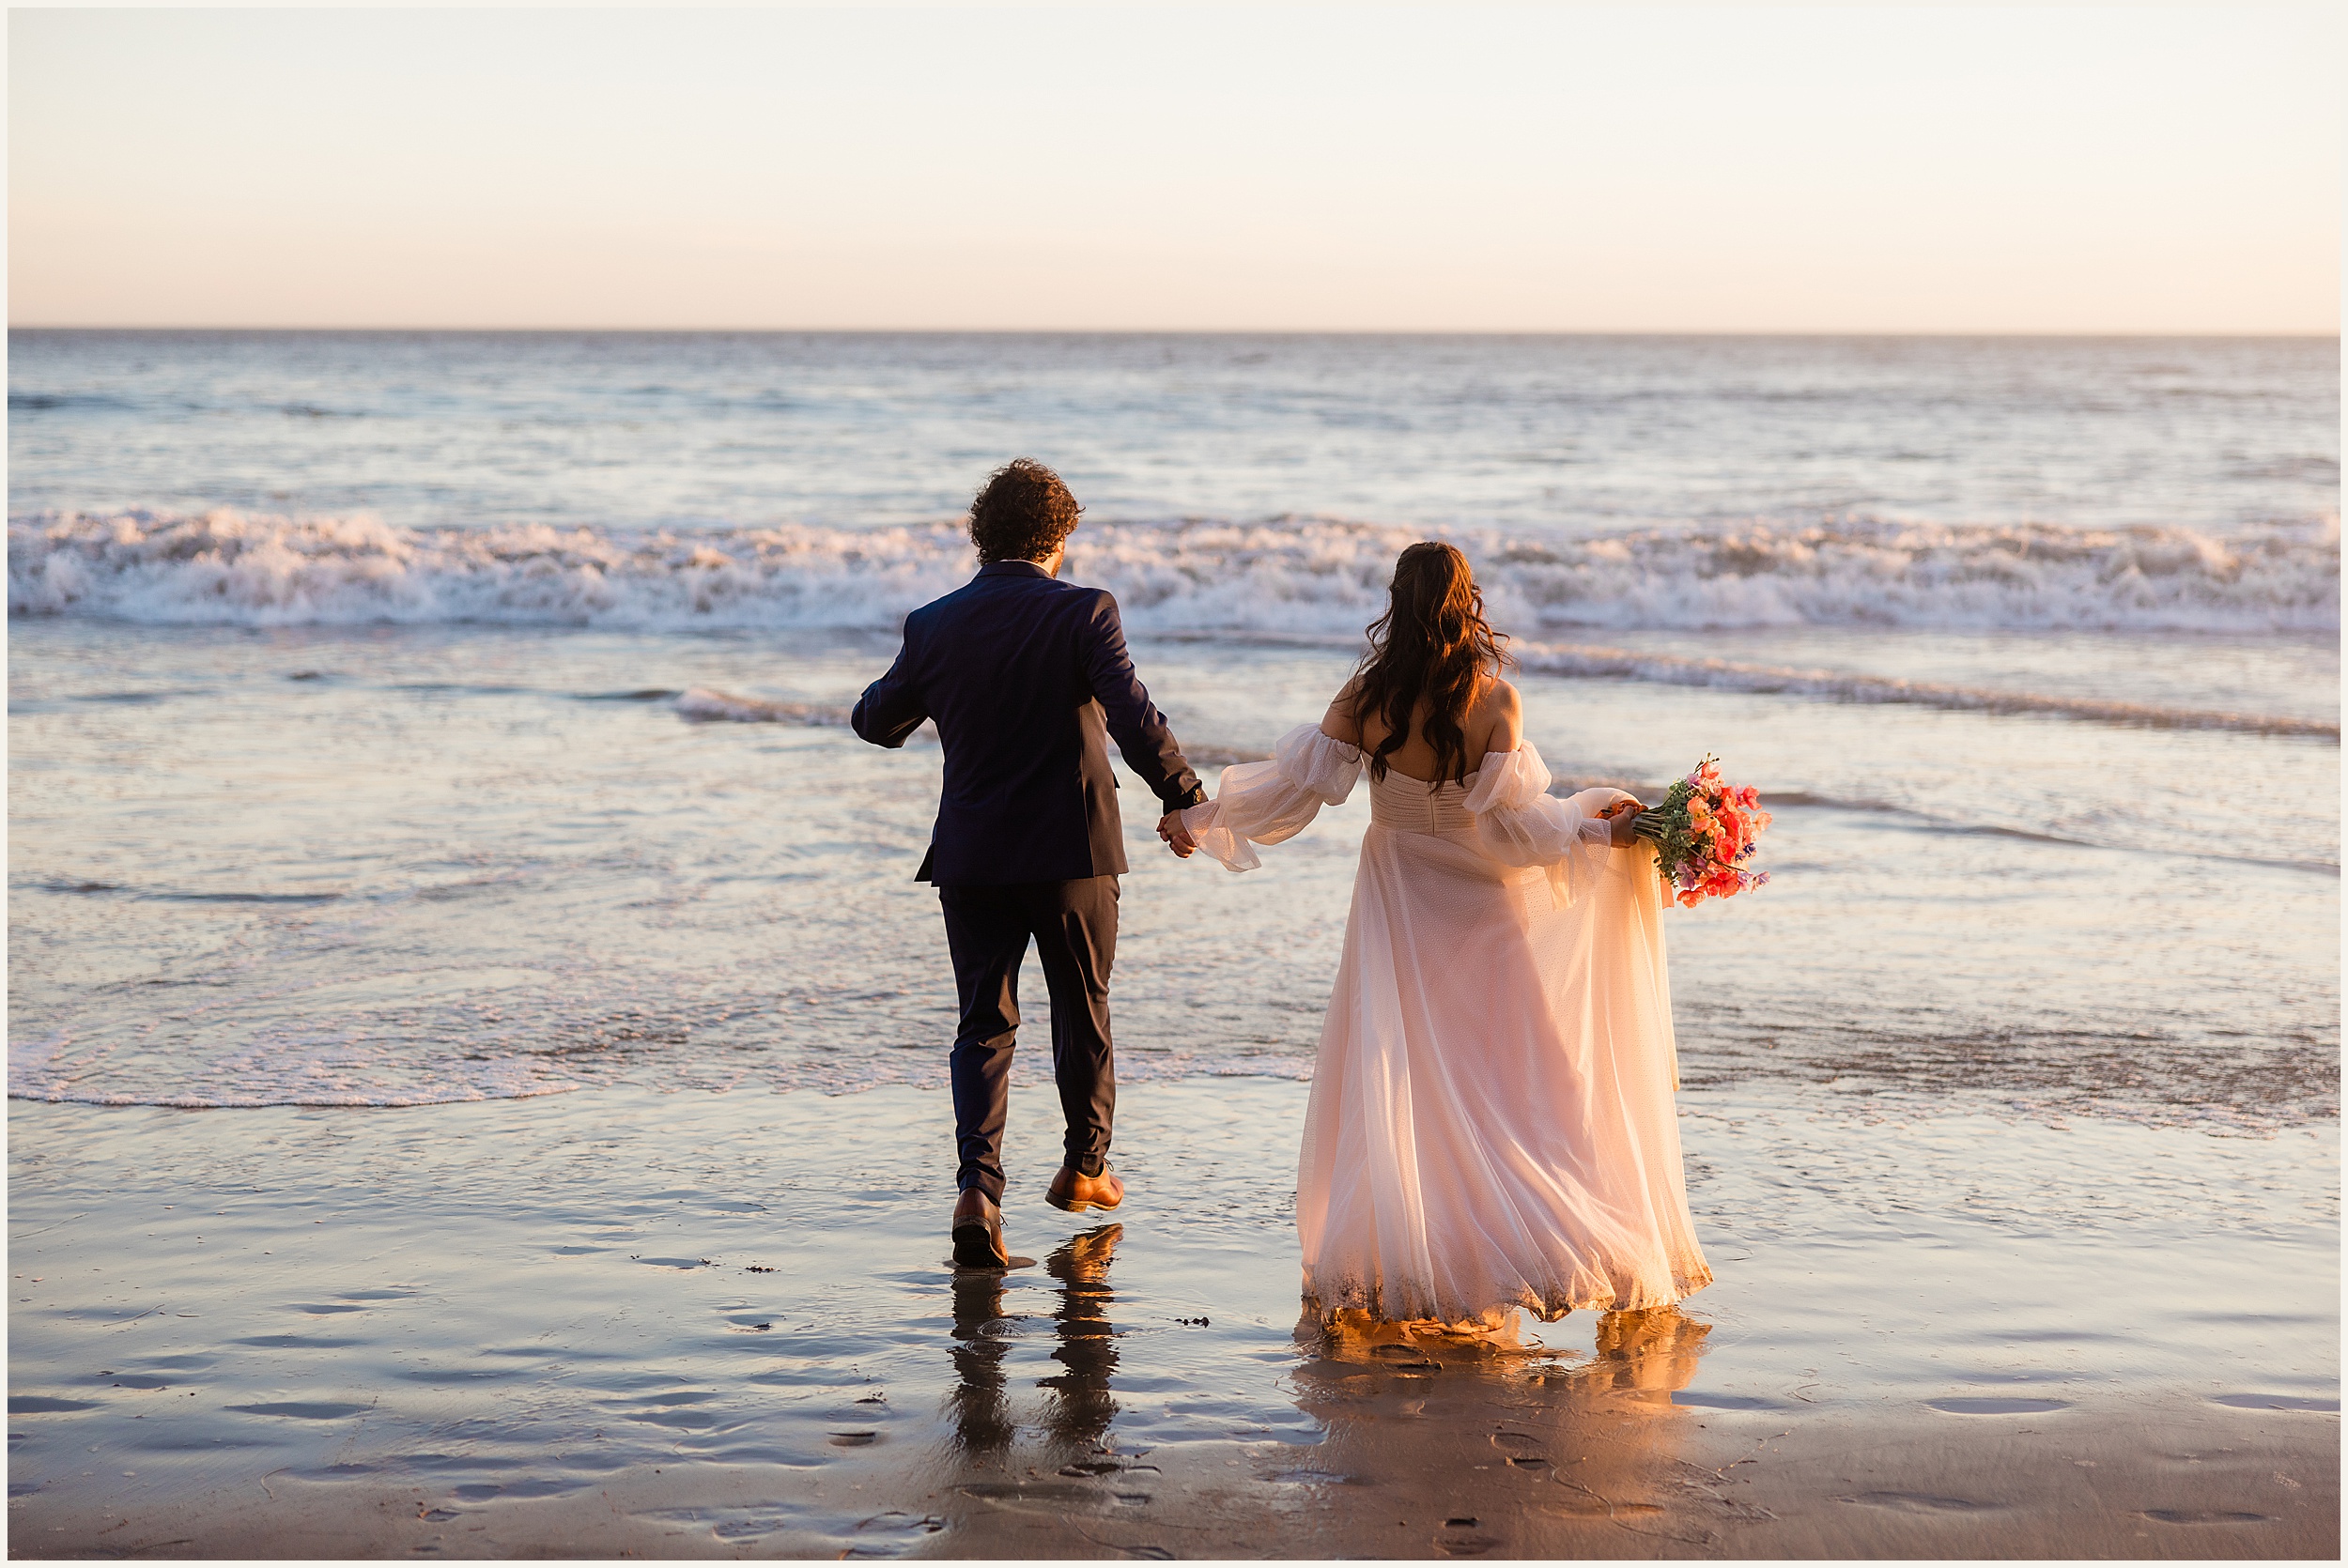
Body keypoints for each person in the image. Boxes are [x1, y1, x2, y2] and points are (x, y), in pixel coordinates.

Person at [1163, 541, 1711, 1328]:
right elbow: (1519, 832)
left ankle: (1423, 1260)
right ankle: (1545, 1247)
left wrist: (1201, 817)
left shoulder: (1367, 697)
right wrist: (1598, 832)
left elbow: (1296, 790)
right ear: (1468, 603)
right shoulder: (1495, 701)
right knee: (1520, 1081)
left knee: (1409, 1080)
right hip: (1485, 904)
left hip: (1399, 901)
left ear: (1397, 602)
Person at [853, 458, 1206, 1269]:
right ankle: (1086, 1167)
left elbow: (876, 720)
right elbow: (1132, 714)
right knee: (1083, 1006)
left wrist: (901, 689)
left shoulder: (933, 623)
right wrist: (1181, 794)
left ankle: (977, 1190)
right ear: (1060, 536)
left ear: (982, 535)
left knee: (984, 1023)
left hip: (972, 855)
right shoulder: (1085, 611)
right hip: (1072, 852)